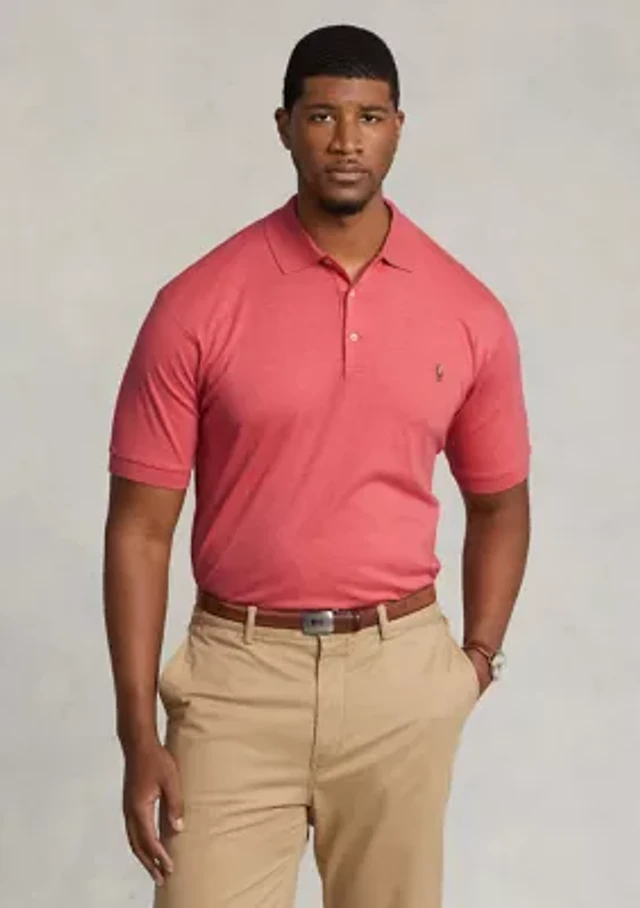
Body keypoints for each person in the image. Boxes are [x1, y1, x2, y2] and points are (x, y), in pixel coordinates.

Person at [103, 22, 531, 908]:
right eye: (323, 116)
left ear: (398, 128)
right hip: (236, 678)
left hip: (398, 678)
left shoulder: (468, 311)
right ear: (285, 126)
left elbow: (500, 503)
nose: (346, 141)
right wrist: (136, 732)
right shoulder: (197, 305)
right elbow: (140, 531)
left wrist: (475, 662)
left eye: (369, 117)